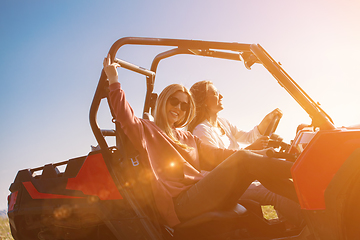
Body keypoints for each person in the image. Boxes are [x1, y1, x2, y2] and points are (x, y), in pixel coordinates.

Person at [103, 55, 298, 228]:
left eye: (185, 105)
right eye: (174, 101)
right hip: (181, 202)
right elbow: (124, 115)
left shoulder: (187, 137)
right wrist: (113, 79)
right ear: (164, 101)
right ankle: (303, 170)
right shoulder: (146, 129)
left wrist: (263, 153)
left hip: (200, 193)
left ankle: (305, 195)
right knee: (244, 160)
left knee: (252, 185)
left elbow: (218, 155)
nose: (179, 107)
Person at [189, 80, 303, 227]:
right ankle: (307, 225)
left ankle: (290, 224)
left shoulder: (223, 123)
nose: (221, 96)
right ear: (204, 101)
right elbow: (219, 166)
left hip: (240, 177)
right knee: (274, 193)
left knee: (279, 182)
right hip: (223, 185)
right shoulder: (201, 131)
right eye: (216, 93)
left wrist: (267, 120)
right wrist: (253, 148)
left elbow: (250, 136)